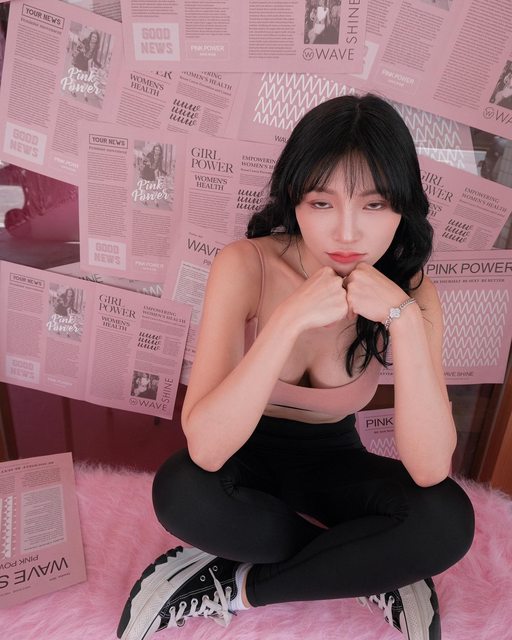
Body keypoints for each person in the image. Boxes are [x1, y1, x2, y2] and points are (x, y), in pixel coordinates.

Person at [117, 94, 475, 640]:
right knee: (181, 490)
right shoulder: (246, 264)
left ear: (403, 206)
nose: (347, 233)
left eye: (375, 205)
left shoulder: (410, 291)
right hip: (243, 460)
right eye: (322, 203)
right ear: (294, 199)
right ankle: (368, 566)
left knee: (447, 520)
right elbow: (207, 448)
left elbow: (428, 469)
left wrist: (403, 321)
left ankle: (234, 587)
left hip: (334, 463)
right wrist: (286, 321)